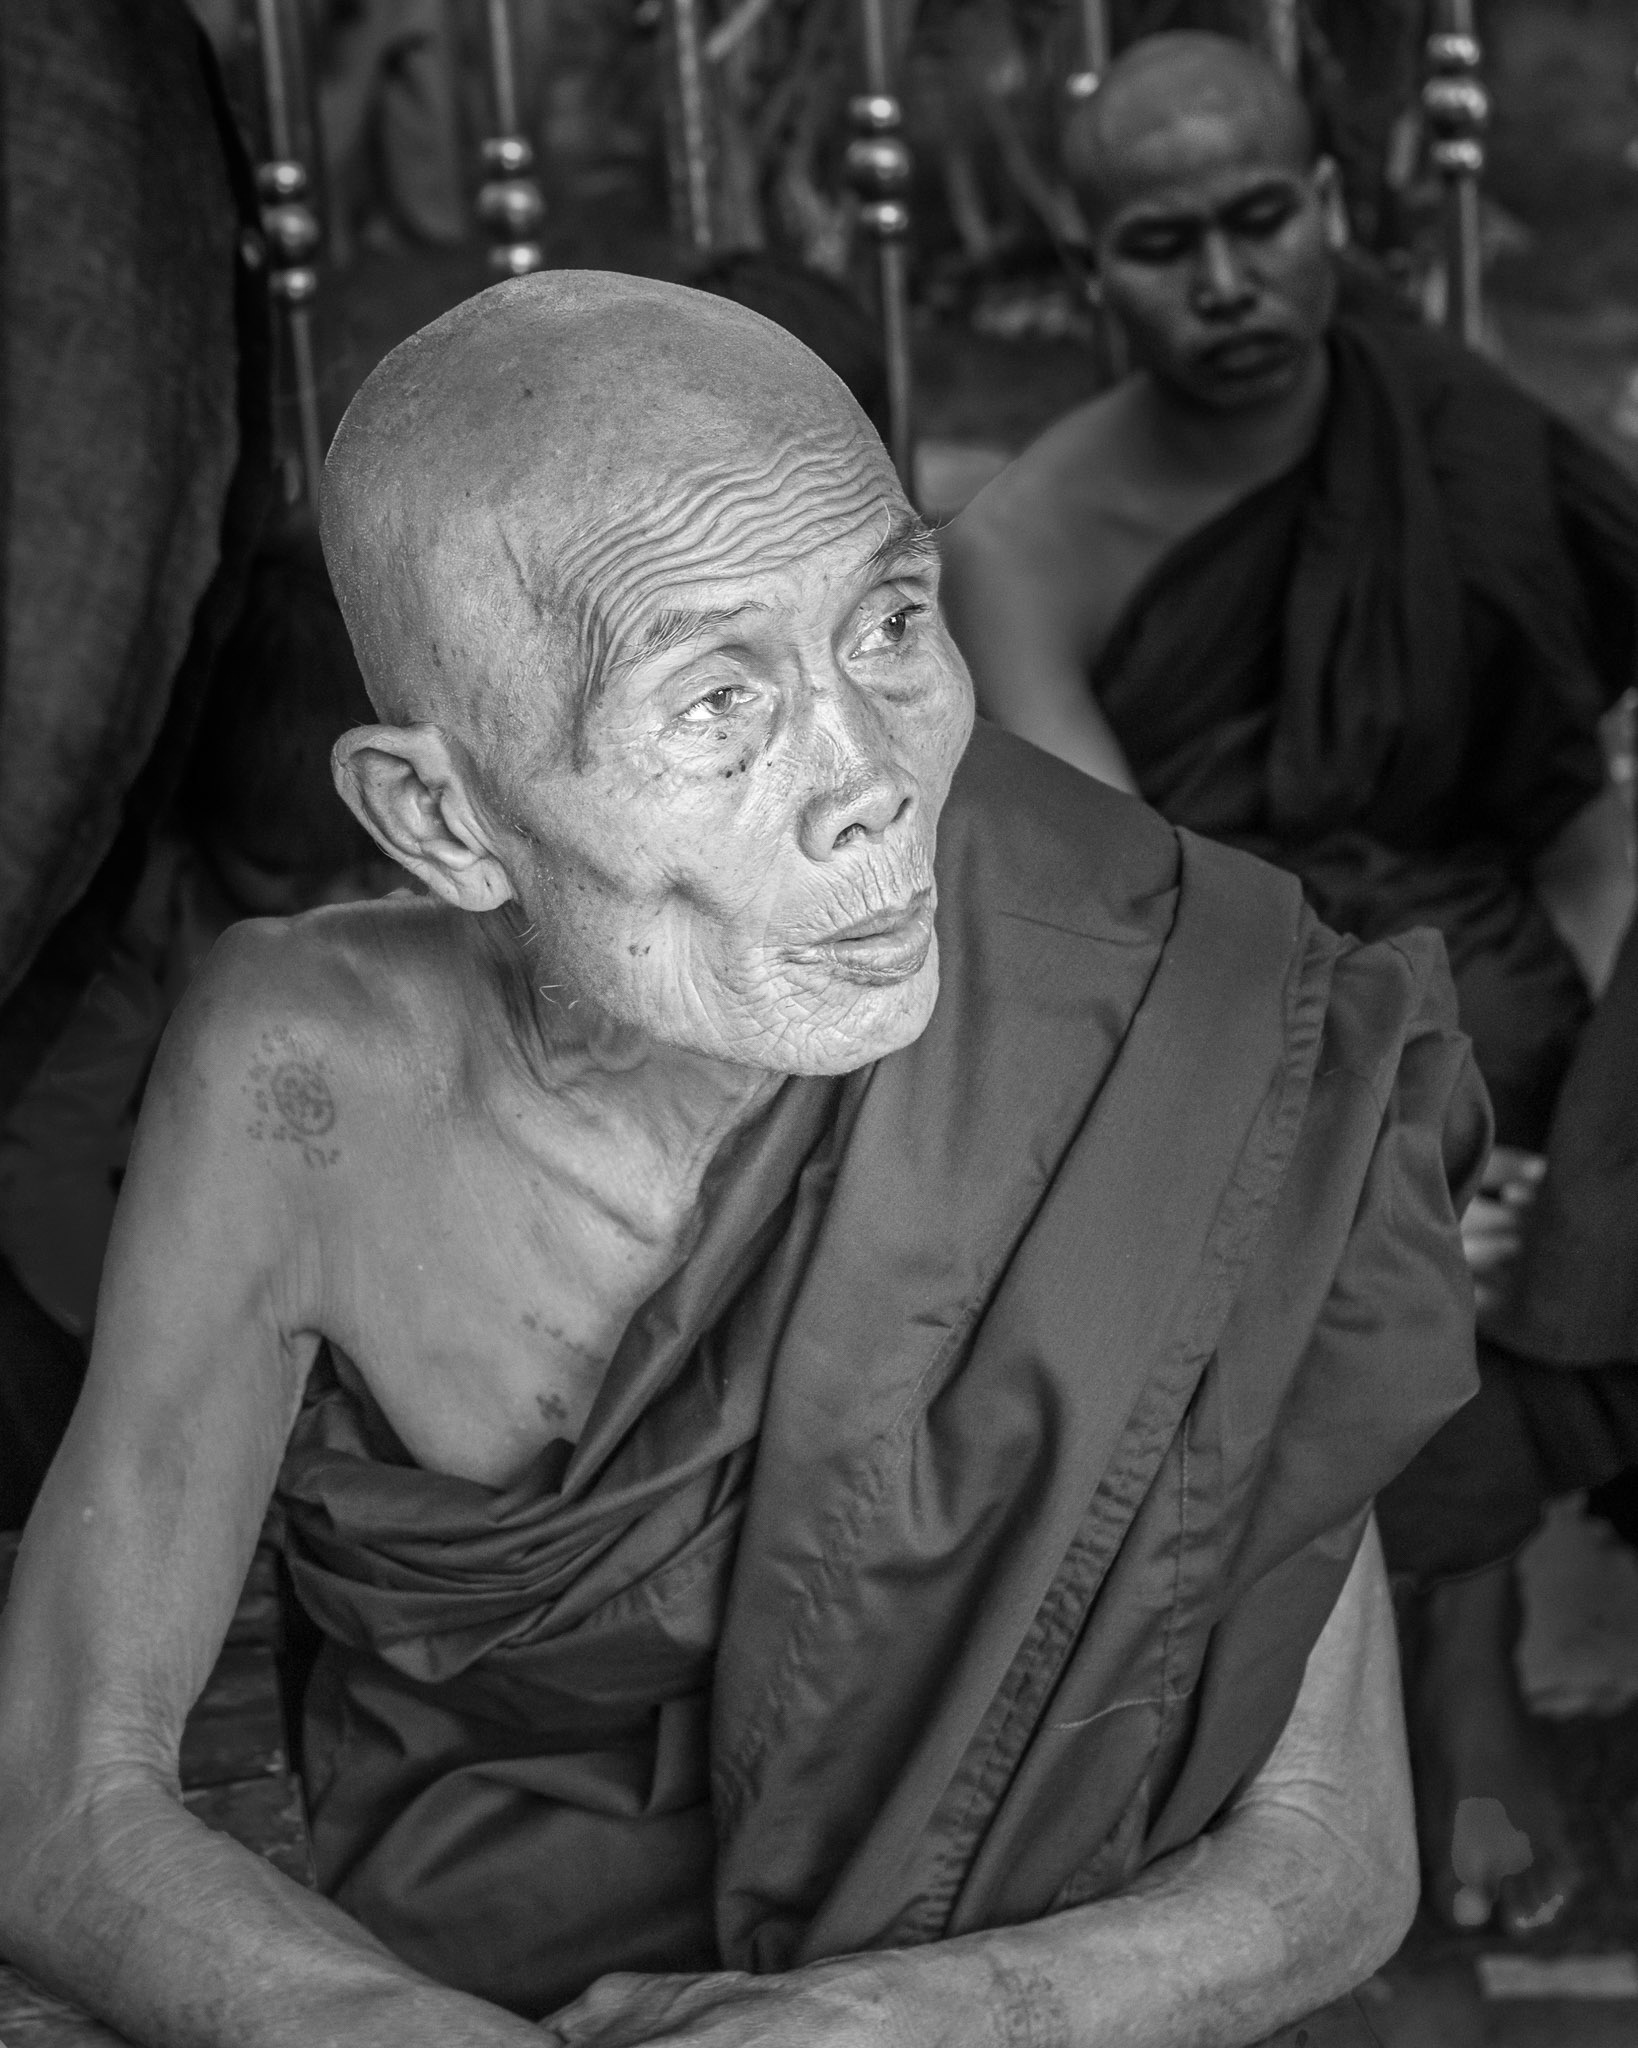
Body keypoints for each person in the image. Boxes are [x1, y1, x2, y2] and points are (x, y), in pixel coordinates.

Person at [0, 270, 1485, 2048]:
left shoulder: (1150, 1003)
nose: (873, 783)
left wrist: (907, 2027)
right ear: (442, 819)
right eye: (715, 704)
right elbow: (56, 1798)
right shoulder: (302, 1074)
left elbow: (1331, 1857)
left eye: (890, 624)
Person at [939, 30, 1638, 1940]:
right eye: (1164, 244)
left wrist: (1577, 1168)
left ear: (1333, 208)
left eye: (1263, 219)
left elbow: (1581, 836)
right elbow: (1131, 935)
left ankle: (1456, 1644)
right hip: (1234, 1038)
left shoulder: (1451, 436)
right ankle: (1439, 1673)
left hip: (1506, 1015)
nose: (1229, 282)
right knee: (1354, 1200)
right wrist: (1372, 1174)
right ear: (1087, 270)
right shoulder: (1027, 547)